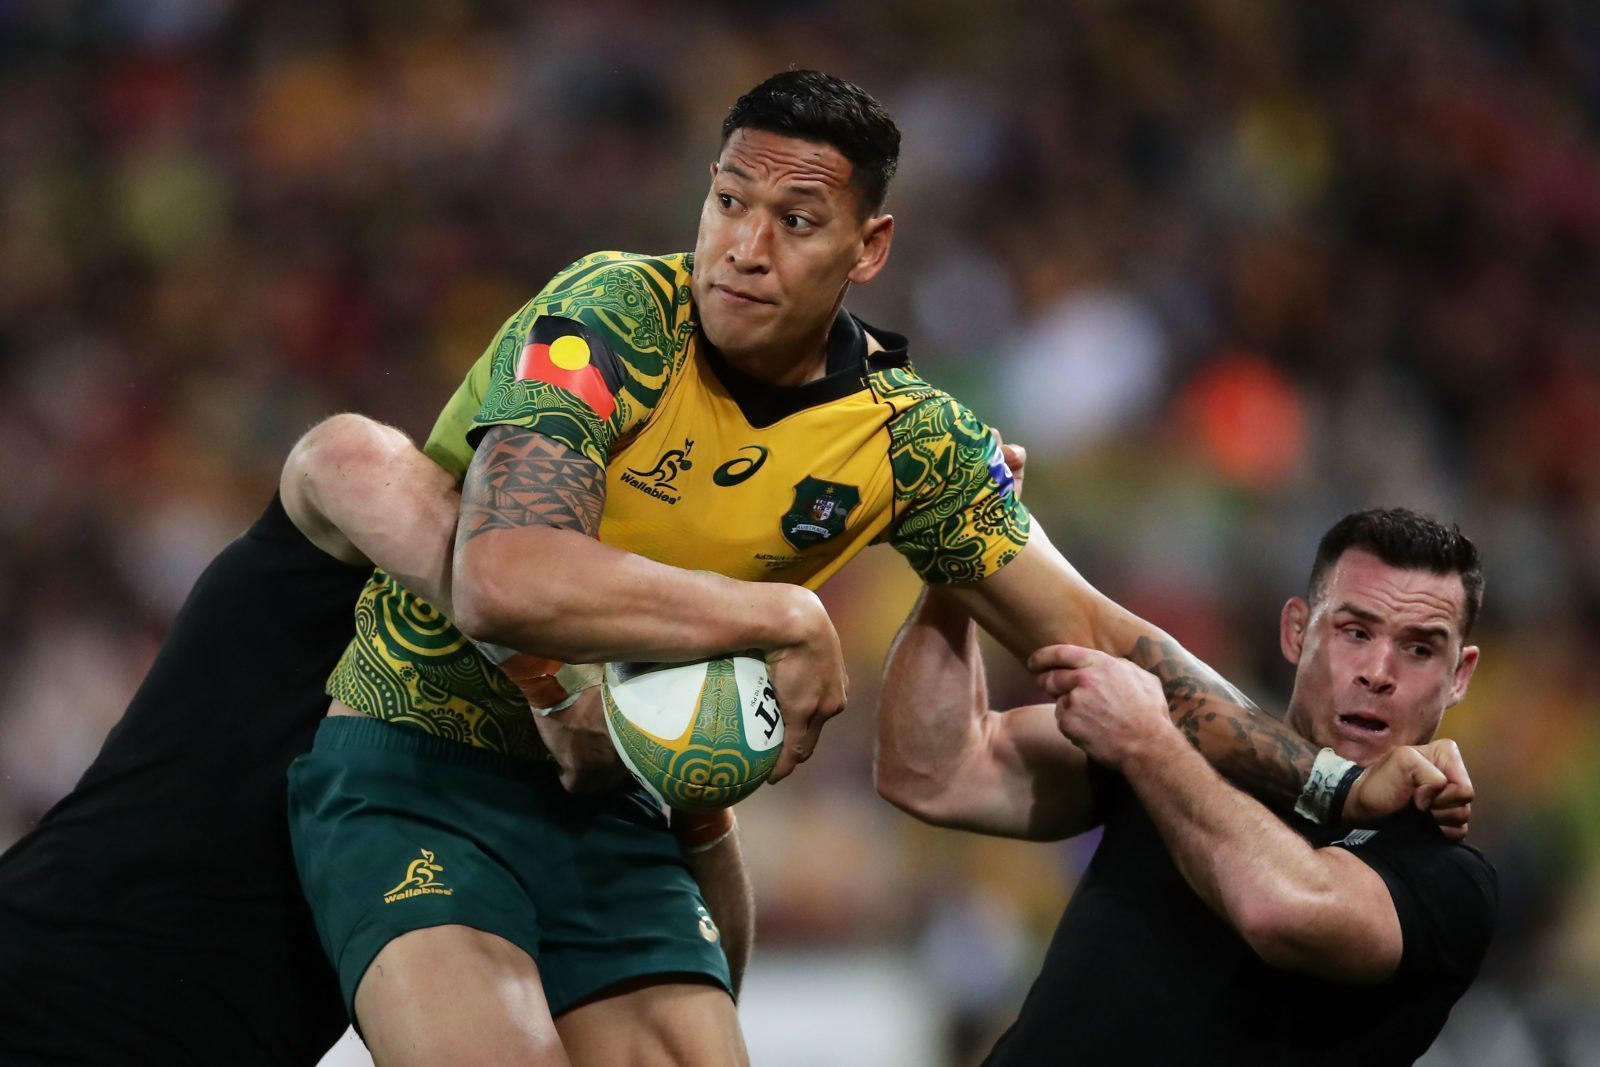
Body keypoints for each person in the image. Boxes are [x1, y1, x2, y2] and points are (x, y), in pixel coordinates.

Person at [288, 69, 1471, 1066]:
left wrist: (1327, 782)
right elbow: (502, 573)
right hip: (423, 755)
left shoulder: (911, 441)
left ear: (870, 246)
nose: (742, 249)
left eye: (794, 221)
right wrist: (784, 617)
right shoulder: (609, 316)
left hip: (616, 807)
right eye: (727, 202)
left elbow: (1110, 646)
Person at [0, 419, 755, 1065]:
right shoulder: (374, 580)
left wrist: (694, 790)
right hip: (45, 982)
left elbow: (697, 972)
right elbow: (344, 456)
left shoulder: (575, 748)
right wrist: (546, 671)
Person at [876, 502, 1496, 1065]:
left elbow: (1283, 911)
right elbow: (933, 771)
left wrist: (1148, 746)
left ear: (1459, 675)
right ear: (1296, 631)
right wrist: (952, 565)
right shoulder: (1193, 742)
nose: (1378, 673)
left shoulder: (1446, 877)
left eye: (1419, 649)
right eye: (1355, 632)